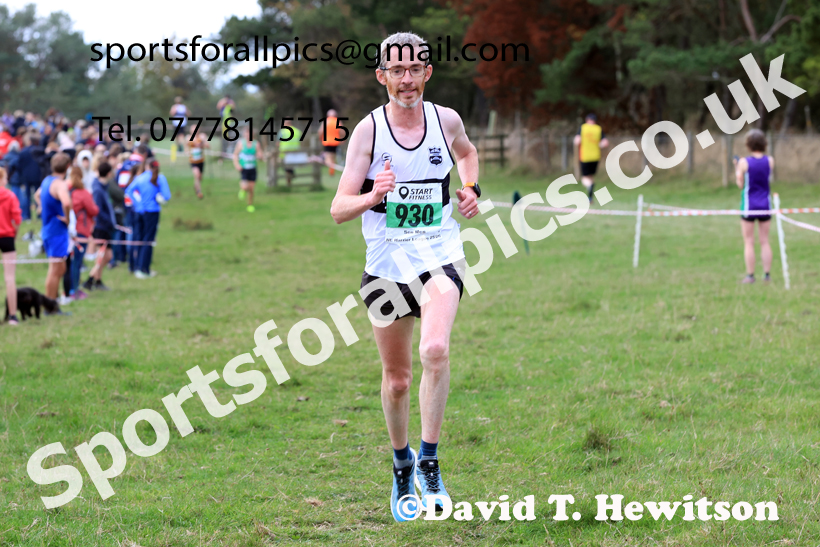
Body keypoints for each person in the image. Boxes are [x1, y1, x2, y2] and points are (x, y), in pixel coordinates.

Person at [329, 32, 480, 522]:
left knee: (435, 350)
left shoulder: (446, 119)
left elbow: (467, 152)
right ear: (382, 76)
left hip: (440, 253)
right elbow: (338, 209)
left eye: (415, 69)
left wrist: (471, 188)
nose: (407, 79)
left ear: (428, 72)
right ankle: (402, 464)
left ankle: (431, 462)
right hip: (387, 266)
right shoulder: (367, 133)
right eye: (397, 70)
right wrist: (374, 197)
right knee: (396, 380)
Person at [733, 129, 774, 284]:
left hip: (749, 206)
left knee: (749, 241)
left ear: (749, 145)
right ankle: (767, 275)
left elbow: (740, 184)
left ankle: (750, 276)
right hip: (765, 205)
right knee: (765, 240)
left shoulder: (744, 163)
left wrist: (738, 168)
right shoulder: (770, 160)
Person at [34, 153, 72, 302]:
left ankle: (53, 300)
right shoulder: (60, 184)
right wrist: (67, 218)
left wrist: (42, 207)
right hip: (56, 230)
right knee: (55, 270)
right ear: (67, 167)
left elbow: (37, 195)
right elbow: (67, 202)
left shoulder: (47, 181)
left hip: (49, 229)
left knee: (60, 268)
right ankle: (49, 304)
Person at [126, 159, 170, 279]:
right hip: (152, 212)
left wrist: (138, 204)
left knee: (139, 238)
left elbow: (129, 190)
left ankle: (135, 266)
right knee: (148, 241)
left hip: (140, 212)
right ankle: (143, 269)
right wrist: (157, 196)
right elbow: (167, 196)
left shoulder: (140, 178)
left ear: (146, 166)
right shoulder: (160, 178)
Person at [83, 161, 116, 291]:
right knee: (104, 255)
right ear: (108, 173)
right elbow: (97, 210)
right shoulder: (98, 190)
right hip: (101, 227)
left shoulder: (103, 187)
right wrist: (108, 220)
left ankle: (96, 279)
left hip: (106, 227)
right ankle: (91, 279)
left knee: (106, 256)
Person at [67, 166, 98, 300]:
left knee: (69, 262)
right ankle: (74, 289)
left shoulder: (66, 191)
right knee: (77, 262)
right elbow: (94, 210)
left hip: (67, 230)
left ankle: (69, 289)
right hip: (81, 230)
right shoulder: (83, 193)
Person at [0, 166, 22, 325]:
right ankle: (13, 316)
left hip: (6, 234)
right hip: (7, 236)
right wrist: (15, 234)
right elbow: (17, 220)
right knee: (10, 278)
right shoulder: (10, 195)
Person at [573, 113, 609, 202]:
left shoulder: (583, 128)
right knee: (591, 176)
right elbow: (605, 143)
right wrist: (598, 145)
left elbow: (576, 141)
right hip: (595, 157)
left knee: (585, 178)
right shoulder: (598, 129)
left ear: (586, 120)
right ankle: (590, 197)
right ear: (595, 121)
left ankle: (590, 187)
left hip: (585, 157)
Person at [233, 126, 263, 213]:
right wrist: (237, 165)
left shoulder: (256, 144)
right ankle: (242, 190)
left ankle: (250, 205)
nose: (248, 135)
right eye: (246, 133)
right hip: (244, 169)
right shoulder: (240, 143)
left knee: (251, 189)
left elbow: (260, 155)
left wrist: (260, 156)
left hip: (252, 168)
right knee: (245, 186)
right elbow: (235, 155)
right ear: (244, 134)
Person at [278, 119, 302, 187]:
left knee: (286, 168)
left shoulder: (282, 131)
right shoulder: (297, 131)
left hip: (284, 154)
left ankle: (289, 182)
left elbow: (278, 143)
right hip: (295, 154)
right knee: (289, 168)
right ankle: (291, 176)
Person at [318, 109, 342, 175]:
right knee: (333, 157)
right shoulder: (338, 121)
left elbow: (320, 131)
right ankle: (332, 171)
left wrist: (320, 138)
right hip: (335, 142)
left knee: (328, 157)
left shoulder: (326, 121)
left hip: (327, 142)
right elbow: (342, 131)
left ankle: (329, 167)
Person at [187, 128, 207, 199]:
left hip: (201, 161)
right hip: (193, 161)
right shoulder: (189, 137)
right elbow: (187, 144)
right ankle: (199, 192)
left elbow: (207, 145)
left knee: (200, 177)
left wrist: (202, 143)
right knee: (197, 175)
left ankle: (196, 186)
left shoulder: (202, 137)